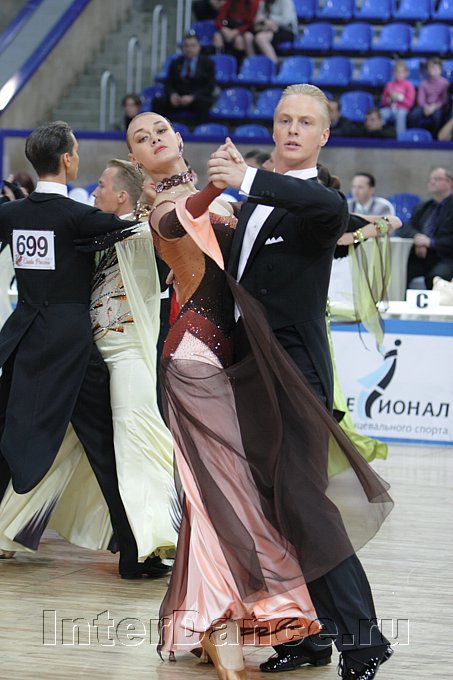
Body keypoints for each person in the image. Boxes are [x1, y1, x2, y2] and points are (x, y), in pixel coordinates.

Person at [208, 84, 393, 679]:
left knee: (305, 505)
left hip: (294, 374)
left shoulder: (321, 203)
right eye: (284, 119)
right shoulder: (255, 201)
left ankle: (363, 639)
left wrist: (246, 179)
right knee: (277, 510)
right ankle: (310, 632)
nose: (292, 129)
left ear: (324, 135)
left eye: (305, 122)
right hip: (249, 371)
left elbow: (322, 209)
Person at [0, 121, 165, 578]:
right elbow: (133, 228)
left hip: (25, 341)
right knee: (106, 449)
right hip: (74, 348)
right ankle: (133, 554)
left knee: (10, 437)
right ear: (68, 160)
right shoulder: (77, 217)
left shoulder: (11, 215)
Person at [400, 166, 453, 289]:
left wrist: (430, 243)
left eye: (437, 179)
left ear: (449, 182)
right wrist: (418, 238)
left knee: (436, 278)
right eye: (430, 179)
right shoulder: (422, 207)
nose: (432, 182)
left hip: (446, 257)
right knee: (399, 269)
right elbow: (406, 228)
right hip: (421, 255)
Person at [153, 33, 215, 126]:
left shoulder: (208, 63)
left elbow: (209, 86)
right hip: (178, 98)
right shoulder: (175, 62)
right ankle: (159, 129)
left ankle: (199, 131)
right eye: (186, 46)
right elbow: (168, 83)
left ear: (199, 47)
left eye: (193, 46)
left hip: (196, 98)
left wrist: (193, 97)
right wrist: (172, 94)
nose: (189, 49)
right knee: (158, 102)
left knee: (204, 104)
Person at [407, 57, 450, 137]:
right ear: (427, 70)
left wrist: (434, 107)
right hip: (425, 106)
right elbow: (420, 100)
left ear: (441, 70)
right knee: (413, 115)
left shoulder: (445, 83)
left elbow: (444, 100)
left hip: (438, 107)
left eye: (436, 68)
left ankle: (436, 137)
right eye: (431, 67)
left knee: (437, 116)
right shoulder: (423, 83)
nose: (434, 70)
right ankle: (415, 135)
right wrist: (426, 107)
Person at [253, 0, 298, 64]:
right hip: (267, 28)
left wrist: (268, 19)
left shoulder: (285, 1)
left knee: (260, 38)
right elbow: (258, 17)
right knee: (248, 36)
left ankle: (275, 64)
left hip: (286, 29)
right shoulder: (263, 2)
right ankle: (253, 65)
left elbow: (286, 19)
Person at [379, 60, 416, 137]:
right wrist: (390, 99)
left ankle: (400, 137)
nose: (399, 74)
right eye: (397, 72)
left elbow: (410, 103)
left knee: (400, 114)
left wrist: (399, 97)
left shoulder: (409, 85)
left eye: (401, 72)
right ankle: (380, 135)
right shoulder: (389, 85)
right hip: (389, 109)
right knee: (380, 113)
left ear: (406, 73)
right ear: (393, 73)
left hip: (402, 109)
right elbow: (383, 101)